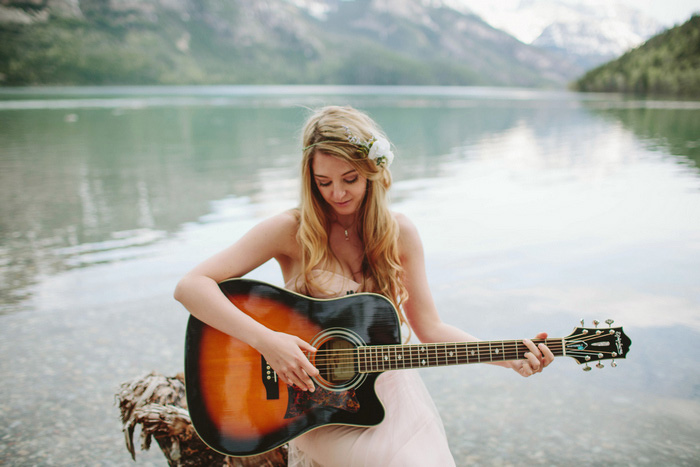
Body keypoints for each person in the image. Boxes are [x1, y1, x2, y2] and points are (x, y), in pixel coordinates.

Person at [174, 105, 554, 466]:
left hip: (389, 393)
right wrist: (267, 341)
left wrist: (508, 356)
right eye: (324, 182)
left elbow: (431, 329)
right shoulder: (290, 230)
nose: (337, 193)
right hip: (312, 404)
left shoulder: (399, 233)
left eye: (350, 179)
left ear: (373, 171)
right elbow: (191, 286)